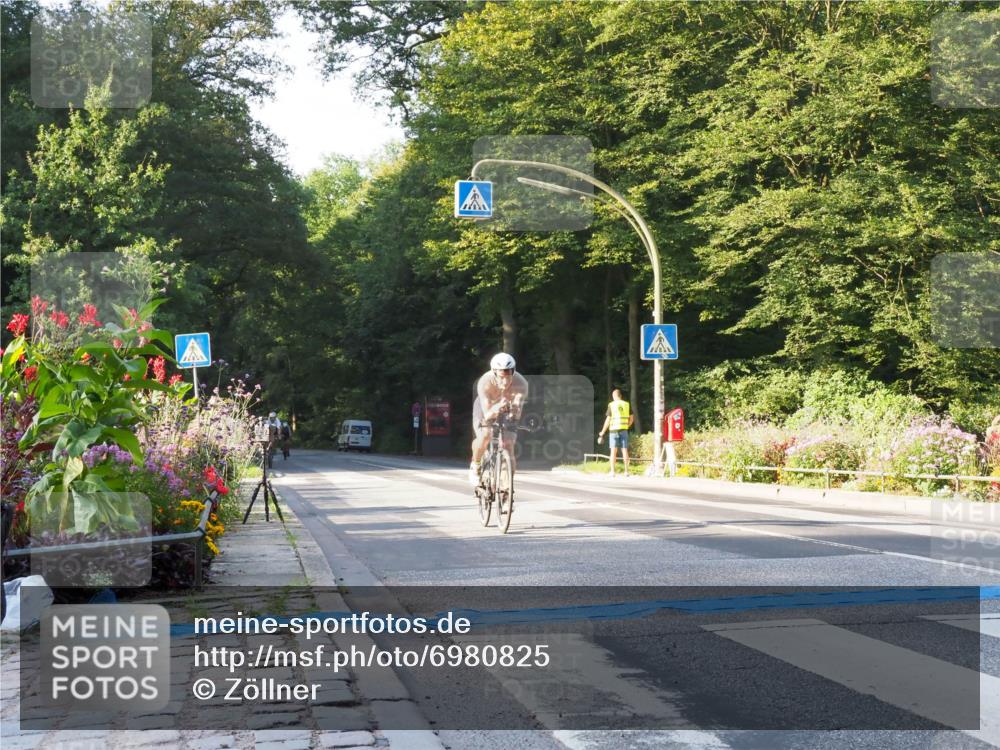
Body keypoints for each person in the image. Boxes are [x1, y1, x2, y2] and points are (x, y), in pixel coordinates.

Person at [469, 353, 529, 486]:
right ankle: (476, 465)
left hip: (507, 407)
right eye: (502, 377)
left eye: (509, 376)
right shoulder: (485, 382)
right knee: (486, 435)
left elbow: (517, 413)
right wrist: (497, 408)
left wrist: (514, 410)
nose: (506, 381)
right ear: (494, 373)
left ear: (513, 372)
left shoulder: (522, 383)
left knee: (509, 444)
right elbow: (488, 414)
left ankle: (507, 487)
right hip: (486, 407)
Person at [598, 388, 635, 477]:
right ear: (620, 396)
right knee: (624, 450)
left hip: (614, 431)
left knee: (613, 451)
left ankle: (613, 472)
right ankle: (626, 472)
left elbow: (608, 420)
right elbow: (632, 418)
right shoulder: (626, 404)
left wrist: (602, 432)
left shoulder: (612, 405)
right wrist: (627, 425)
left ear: (613, 396)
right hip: (624, 430)